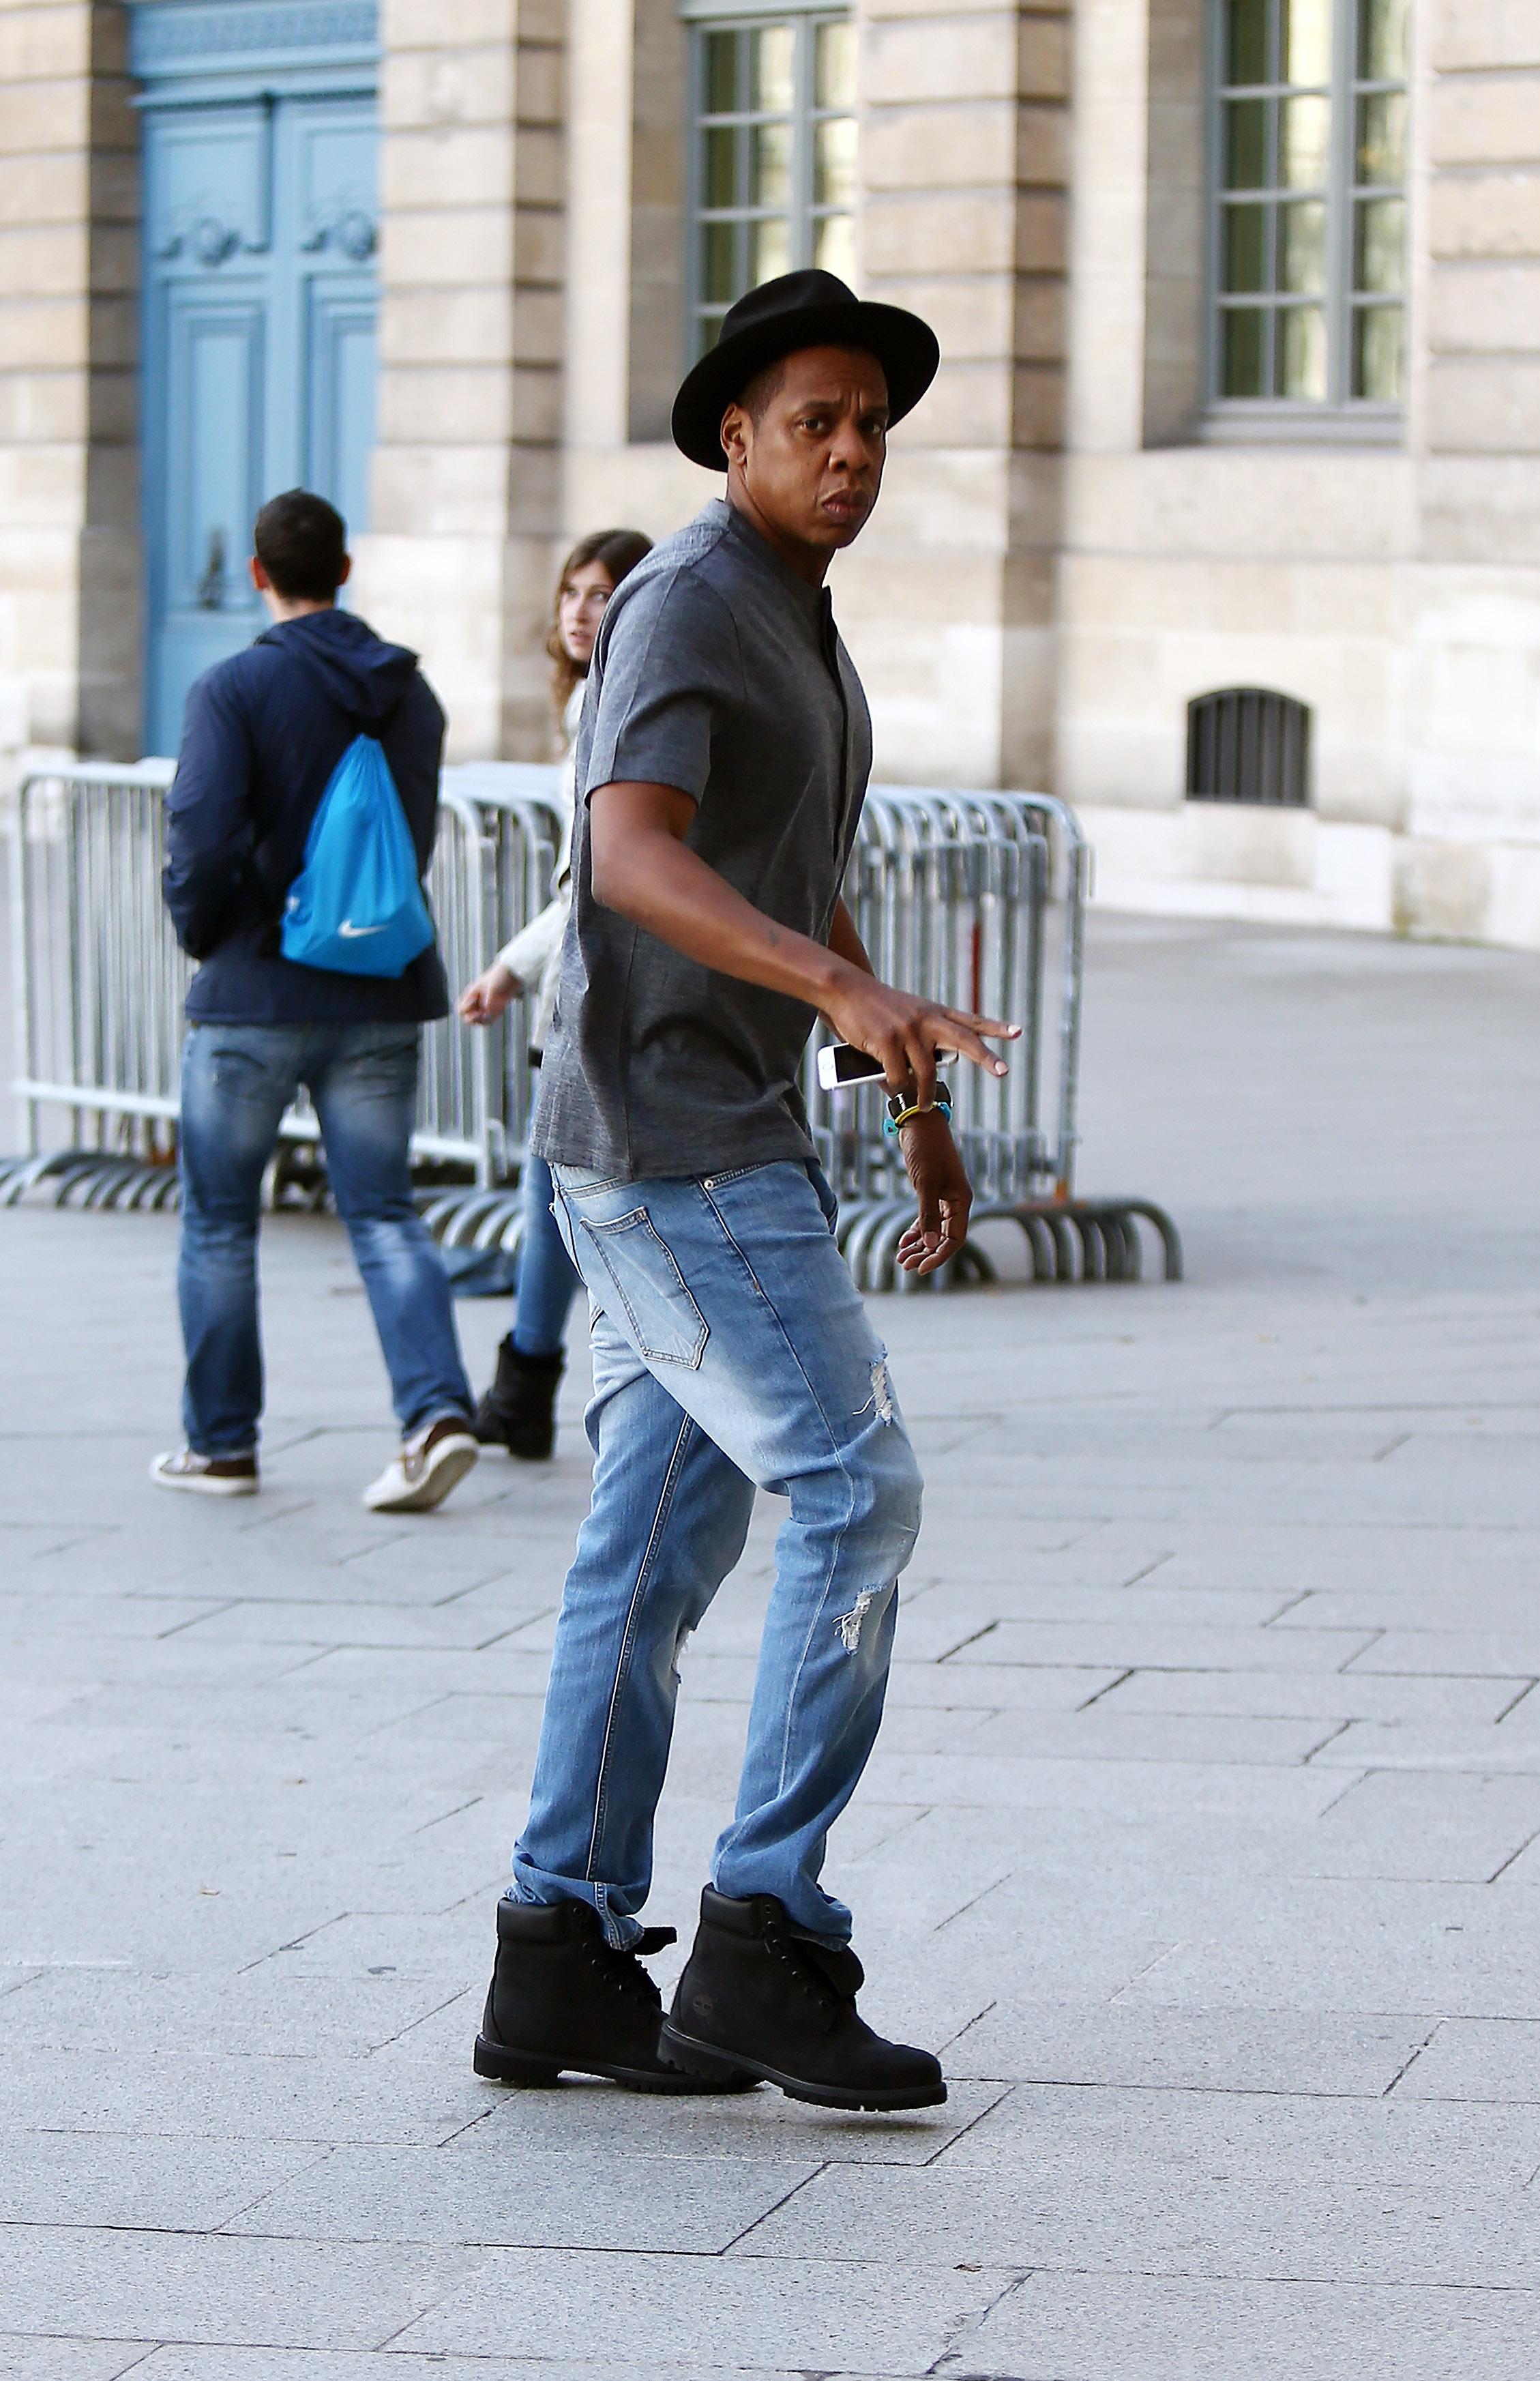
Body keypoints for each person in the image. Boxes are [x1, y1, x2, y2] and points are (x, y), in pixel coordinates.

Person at [473, 271, 1020, 2110]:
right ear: (734, 435)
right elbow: (628, 857)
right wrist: (838, 995)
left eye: (872, 422)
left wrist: (895, 1073)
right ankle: (762, 1941)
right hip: (678, 1143)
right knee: (856, 1490)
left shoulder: (790, 607)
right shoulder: (691, 599)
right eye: (816, 420)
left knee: (650, 1540)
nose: (854, 451)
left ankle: (557, 1958)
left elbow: (787, 872)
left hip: (672, 1130)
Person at [156, 489, 479, 1515]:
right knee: (385, 1210)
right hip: (378, 988)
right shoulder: (409, 693)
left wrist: (209, 937)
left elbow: (201, 838)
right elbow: (406, 842)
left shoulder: (232, 687)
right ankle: (435, 1414)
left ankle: (222, 1445)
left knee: (218, 1220)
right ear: (345, 572)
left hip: (253, 990)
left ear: (258, 574)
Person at [458, 529, 653, 1459]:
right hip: (583, 986)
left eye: (603, 592)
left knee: (575, 1198)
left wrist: (511, 962)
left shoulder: (614, 704)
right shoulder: (590, 699)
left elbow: (598, 876)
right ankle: (526, 1386)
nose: (580, 609)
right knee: (549, 1193)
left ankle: (540, 1388)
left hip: (598, 989)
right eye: (572, 592)